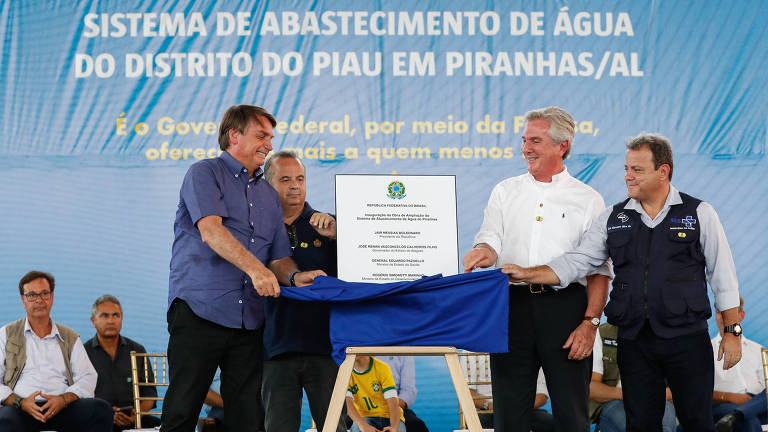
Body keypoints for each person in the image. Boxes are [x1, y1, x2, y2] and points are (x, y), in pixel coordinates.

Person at [503, 132, 742, 431]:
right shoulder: (612, 218)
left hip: (687, 339)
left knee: (697, 422)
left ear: (663, 171)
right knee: (640, 424)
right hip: (634, 341)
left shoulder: (699, 213)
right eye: (627, 168)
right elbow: (577, 261)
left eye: (637, 170)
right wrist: (529, 274)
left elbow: (723, 274)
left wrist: (732, 331)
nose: (628, 176)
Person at [163, 105, 325, 432]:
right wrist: (256, 270)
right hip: (199, 312)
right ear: (234, 136)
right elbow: (211, 230)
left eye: (271, 137)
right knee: (182, 412)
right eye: (261, 136)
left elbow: (278, 260)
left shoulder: (268, 194)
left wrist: (295, 276)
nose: (269, 144)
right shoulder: (204, 173)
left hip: (250, 323)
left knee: (248, 420)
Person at [462, 106, 612, 431]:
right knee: (509, 413)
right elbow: (490, 239)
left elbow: (599, 270)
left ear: (563, 146)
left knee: (572, 413)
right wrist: (482, 252)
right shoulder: (505, 190)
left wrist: (590, 323)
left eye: (535, 140)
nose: (526, 148)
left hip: (566, 310)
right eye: (524, 140)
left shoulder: (588, 199)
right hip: (510, 307)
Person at [261, 150, 345, 432]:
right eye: (285, 179)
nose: (295, 185)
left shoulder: (330, 225)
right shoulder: (257, 229)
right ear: (268, 183)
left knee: (335, 427)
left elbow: (367, 256)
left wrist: (340, 233)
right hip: (275, 350)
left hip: (325, 349)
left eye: (300, 178)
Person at [0, 270, 112, 431]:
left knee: (101, 410)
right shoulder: (5, 334)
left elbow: (87, 376)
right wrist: (20, 402)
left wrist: (64, 399)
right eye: (32, 295)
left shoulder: (69, 336)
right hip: (21, 408)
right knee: (4, 419)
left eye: (44, 293)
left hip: (61, 407)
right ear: (23, 300)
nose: (39, 300)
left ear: (51, 297)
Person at [85, 294, 160, 431]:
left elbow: (150, 394)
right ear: (93, 321)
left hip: (135, 419)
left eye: (115, 315)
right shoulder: (83, 353)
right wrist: (105, 414)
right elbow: (77, 396)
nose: (111, 321)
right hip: (97, 420)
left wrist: (136, 415)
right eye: (104, 316)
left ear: (121, 319)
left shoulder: (137, 350)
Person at [588, 323, 677, 432]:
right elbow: (591, 388)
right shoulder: (602, 333)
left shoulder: (672, 334)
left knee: (663, 428)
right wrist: (632, 394)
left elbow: (685, 387)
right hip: (615, 401)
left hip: (661, 401)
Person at [712, 297, 766, 432]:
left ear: (741, 315)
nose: (724, 317)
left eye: (730, 311)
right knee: (748, 420)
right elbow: (699, 392)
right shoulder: (706, 350)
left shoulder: (758, 349)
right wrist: (731, 397)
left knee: (748, 414)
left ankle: (737, 415)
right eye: (720, 312)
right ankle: (738, 415)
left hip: (759, 404)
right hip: (725, 405)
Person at [461, 352, 553, 432]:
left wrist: (517, 409)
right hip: (487, 411)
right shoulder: (470, 349)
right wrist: (492, 407)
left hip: (525, 410)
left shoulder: (530, 345)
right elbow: (467, 394)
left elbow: (542, 396)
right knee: (476, 423)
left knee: (550, 423)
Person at [346, 355, 406, 432]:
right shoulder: (345, 372)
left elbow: (393, 403)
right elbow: (347, 403)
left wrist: (394, 427)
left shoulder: (382, 368)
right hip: (365, 417)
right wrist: (362, 425)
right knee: (358, 429)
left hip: (389, 417)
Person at [379, 356, 429, 432]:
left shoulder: (404, 352)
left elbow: (408, 390)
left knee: (416, 425)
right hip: (363, 407)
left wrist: (392, 407)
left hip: (395, 405)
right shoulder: (360, 351)